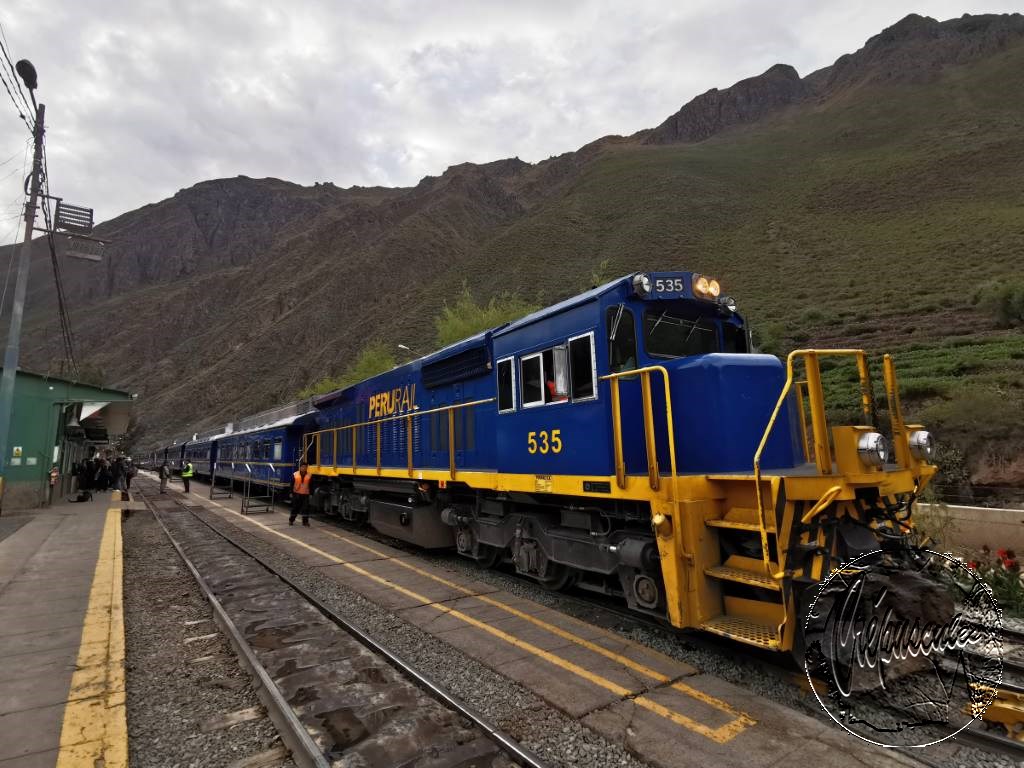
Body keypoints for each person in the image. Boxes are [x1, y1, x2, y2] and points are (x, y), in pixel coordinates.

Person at [289, 461, 312, 526]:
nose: (304, 468)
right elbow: (291, 484)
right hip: (296, 494)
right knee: (295, 508)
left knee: (305, 509)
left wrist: (311, 494)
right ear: (300, 467)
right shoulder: (295, 474)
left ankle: (305, 522)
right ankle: (291, 520)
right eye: (303, 467)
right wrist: (291, 492)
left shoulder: (309, 475)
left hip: (305, 494)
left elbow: (311, 485)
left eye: (305, 467)